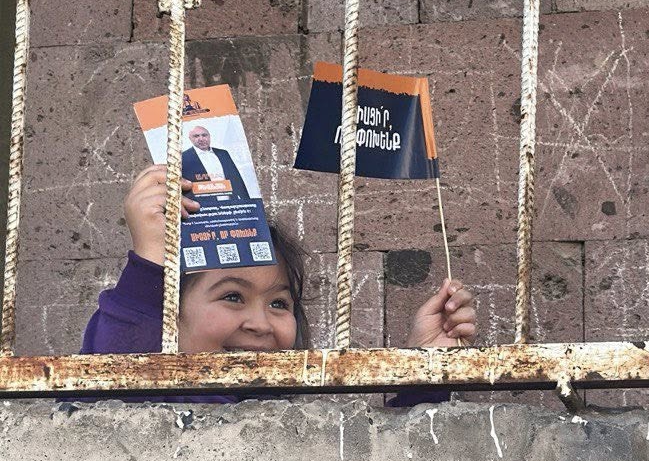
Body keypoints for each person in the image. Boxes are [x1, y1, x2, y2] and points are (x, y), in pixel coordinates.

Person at [82, 166, 478, 389]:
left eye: (279, 303)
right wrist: (152, 257)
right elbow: (112, 370)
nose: (260, 324)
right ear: (169, 311)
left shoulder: (298, 421)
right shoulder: (146, 405)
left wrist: (423, 371)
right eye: (233, 296)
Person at [182, 124, 251, 202]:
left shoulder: (223, 153)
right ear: (190, 139)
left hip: (230, 203)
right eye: (196, 136)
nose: (201, 139)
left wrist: (247, 201)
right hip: (203, 205)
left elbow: (236, 178)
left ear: (209, 136)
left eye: (204, 135)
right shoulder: (183, 157)